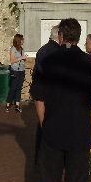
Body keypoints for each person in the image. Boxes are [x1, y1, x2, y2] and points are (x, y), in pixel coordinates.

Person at [36, 18, 91, 182]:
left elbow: (38, 97)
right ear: (79, 36)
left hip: (52, 128)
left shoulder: (47, 61)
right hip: (79, 130)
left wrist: (44, 122)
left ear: (60, 36)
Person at [32, 26, 61, 163]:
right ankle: (47, 158)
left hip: (40, 91)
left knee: (43, 125)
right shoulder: (55, 51)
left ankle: (39, 156)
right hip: (48, 93)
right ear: (59, 36)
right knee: (49, 125)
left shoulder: (43, 49)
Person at [7, 33, 26, 113]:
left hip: (21, 70)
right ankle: (8, 105)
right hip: (15, 71)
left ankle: (17, 105)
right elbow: (12, 61)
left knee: (19, 88)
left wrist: (24, 59)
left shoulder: (22, 49)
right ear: (19, 40)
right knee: (13, 88)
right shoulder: (13, 49)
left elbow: (20, 60)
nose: (23, 41)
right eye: (22, 39)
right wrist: (21, 57)